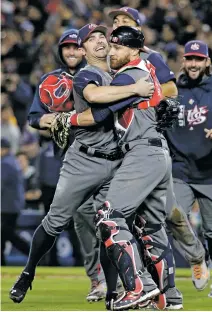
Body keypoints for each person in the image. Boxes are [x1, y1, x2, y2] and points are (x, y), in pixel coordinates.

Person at [9, 24, 153, 305]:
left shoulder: (118, 72)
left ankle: (112, 292)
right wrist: (54, 119)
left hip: (116, 160)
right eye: (76, 44)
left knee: (108, 227)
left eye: (102, 37)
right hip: (82, 159)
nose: (96, 42)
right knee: (55, 221)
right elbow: (88, 107)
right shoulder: (78, 77)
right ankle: (27, 274)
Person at [77, 25, 182, 311]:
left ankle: (139, 288)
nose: (112, 52)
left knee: (108, 217)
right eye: (111, 46)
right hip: (156, 152)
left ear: (134, 50)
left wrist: (68, 120)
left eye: (119, 47)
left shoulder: (131, 75)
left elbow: (97, 105)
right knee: (150, 227)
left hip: (142, 151)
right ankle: (168, 297)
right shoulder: (146, 69)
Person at [107, 6, 210, 293]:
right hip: (115, 149)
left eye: (125, 21)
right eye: (115, 21)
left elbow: (171, 90)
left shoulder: (150, 58)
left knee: (170, 213)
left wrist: (139, 92)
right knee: (109, 216)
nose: (118, 24)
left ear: (137, 29)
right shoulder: (109, 58)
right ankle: (120, 284)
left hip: (144, 145)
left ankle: (195, 256)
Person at [27, 28, 102, 297]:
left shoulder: (99, 75)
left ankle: (129, 277)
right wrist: (47, 120)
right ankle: (97, 279)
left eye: (75, 47)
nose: (71, 52)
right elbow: (35, 116)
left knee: (115, 218)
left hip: (106, 155)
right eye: (66, 47)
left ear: (84, 50)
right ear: (60, 51)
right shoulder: (51, 80)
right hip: (72, 160)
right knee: (83, 220)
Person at [165, 40, 212, 298]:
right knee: (171, 218)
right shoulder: (173, 89)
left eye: (199, 59)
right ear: (183, 61)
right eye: (190, 58)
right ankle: (197, 259)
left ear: (207, 62)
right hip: (181, 170)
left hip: (211, 171)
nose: (194, 63)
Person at [1, 137, 30, 265]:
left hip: (8, 206)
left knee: (8, 234)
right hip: (12, 205)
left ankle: (32, 253)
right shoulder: (12, 161)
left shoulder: (5, 163)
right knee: (4, 235)